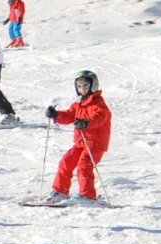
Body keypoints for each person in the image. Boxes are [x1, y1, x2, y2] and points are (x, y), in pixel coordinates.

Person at [43, 70, 111, 205]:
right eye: (79, 86)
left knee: (84, 166)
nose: (82, 89)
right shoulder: (78, 103)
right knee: (65, 162)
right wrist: (56, 115)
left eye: (85, 85)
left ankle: (88, 195)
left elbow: (99, 118)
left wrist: (86, 123)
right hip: (81, 143)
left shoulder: (98, 104)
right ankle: (60, 191)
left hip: (95, 144)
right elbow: (69, 115)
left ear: (93, 86)